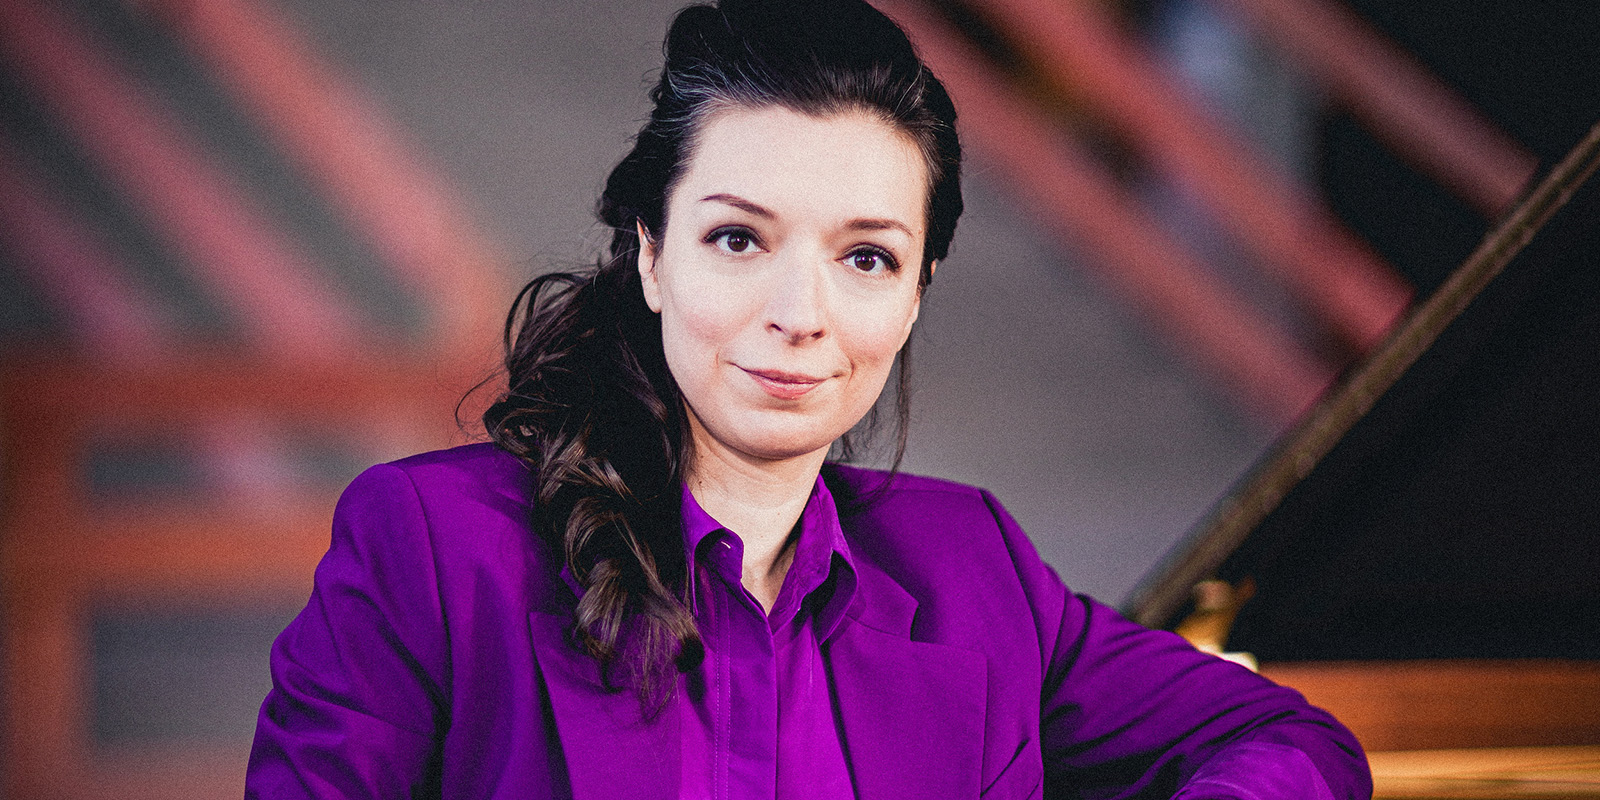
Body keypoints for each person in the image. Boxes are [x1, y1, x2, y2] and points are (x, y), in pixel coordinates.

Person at [246, 0, 1370, 797]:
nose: (803, 310)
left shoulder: (971, 568)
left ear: (919, 290)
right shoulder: (433, 548)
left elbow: (1293, 741)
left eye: (867, 257)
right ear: (650, 253)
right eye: (738, 237)